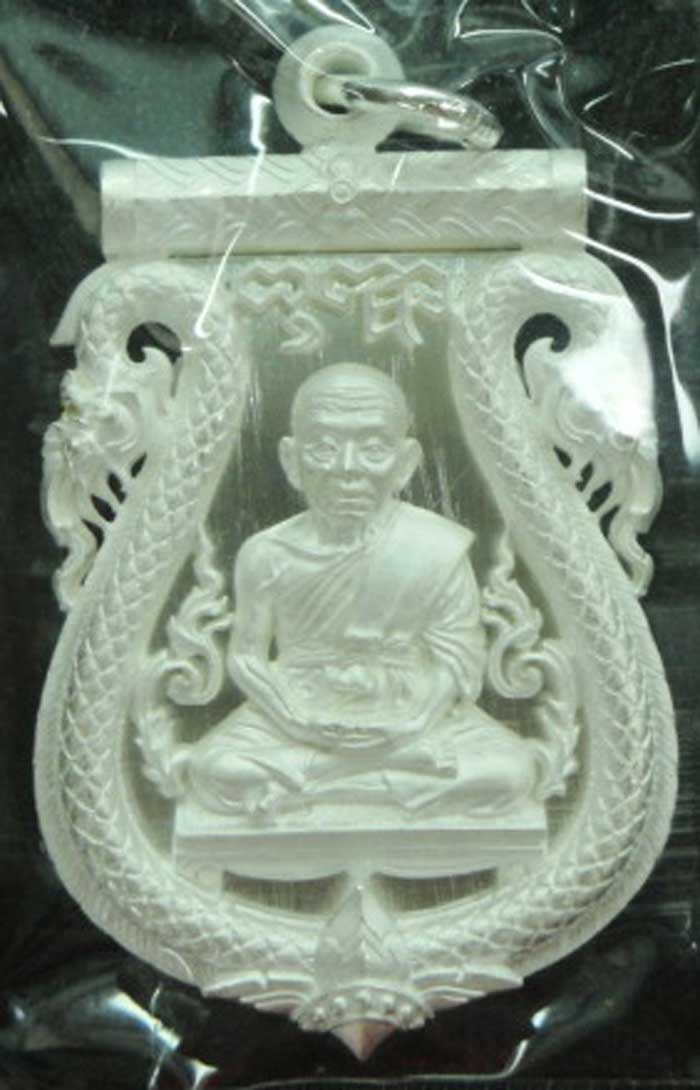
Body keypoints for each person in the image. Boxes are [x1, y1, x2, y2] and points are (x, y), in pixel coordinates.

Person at [186, 363, 536, 819]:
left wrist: (414, 722)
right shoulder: (266, 552)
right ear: (292, 460)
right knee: (211, 769)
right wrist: (295, 719)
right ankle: (388, 777)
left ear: (405, 463)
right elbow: (247, 656)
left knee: (512, 771)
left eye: (372, 449)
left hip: (414, 711)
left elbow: (457, 659)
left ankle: (317, 784)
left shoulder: (435, 547)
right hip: (296, 711)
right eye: (324, 448)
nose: (347, 468)